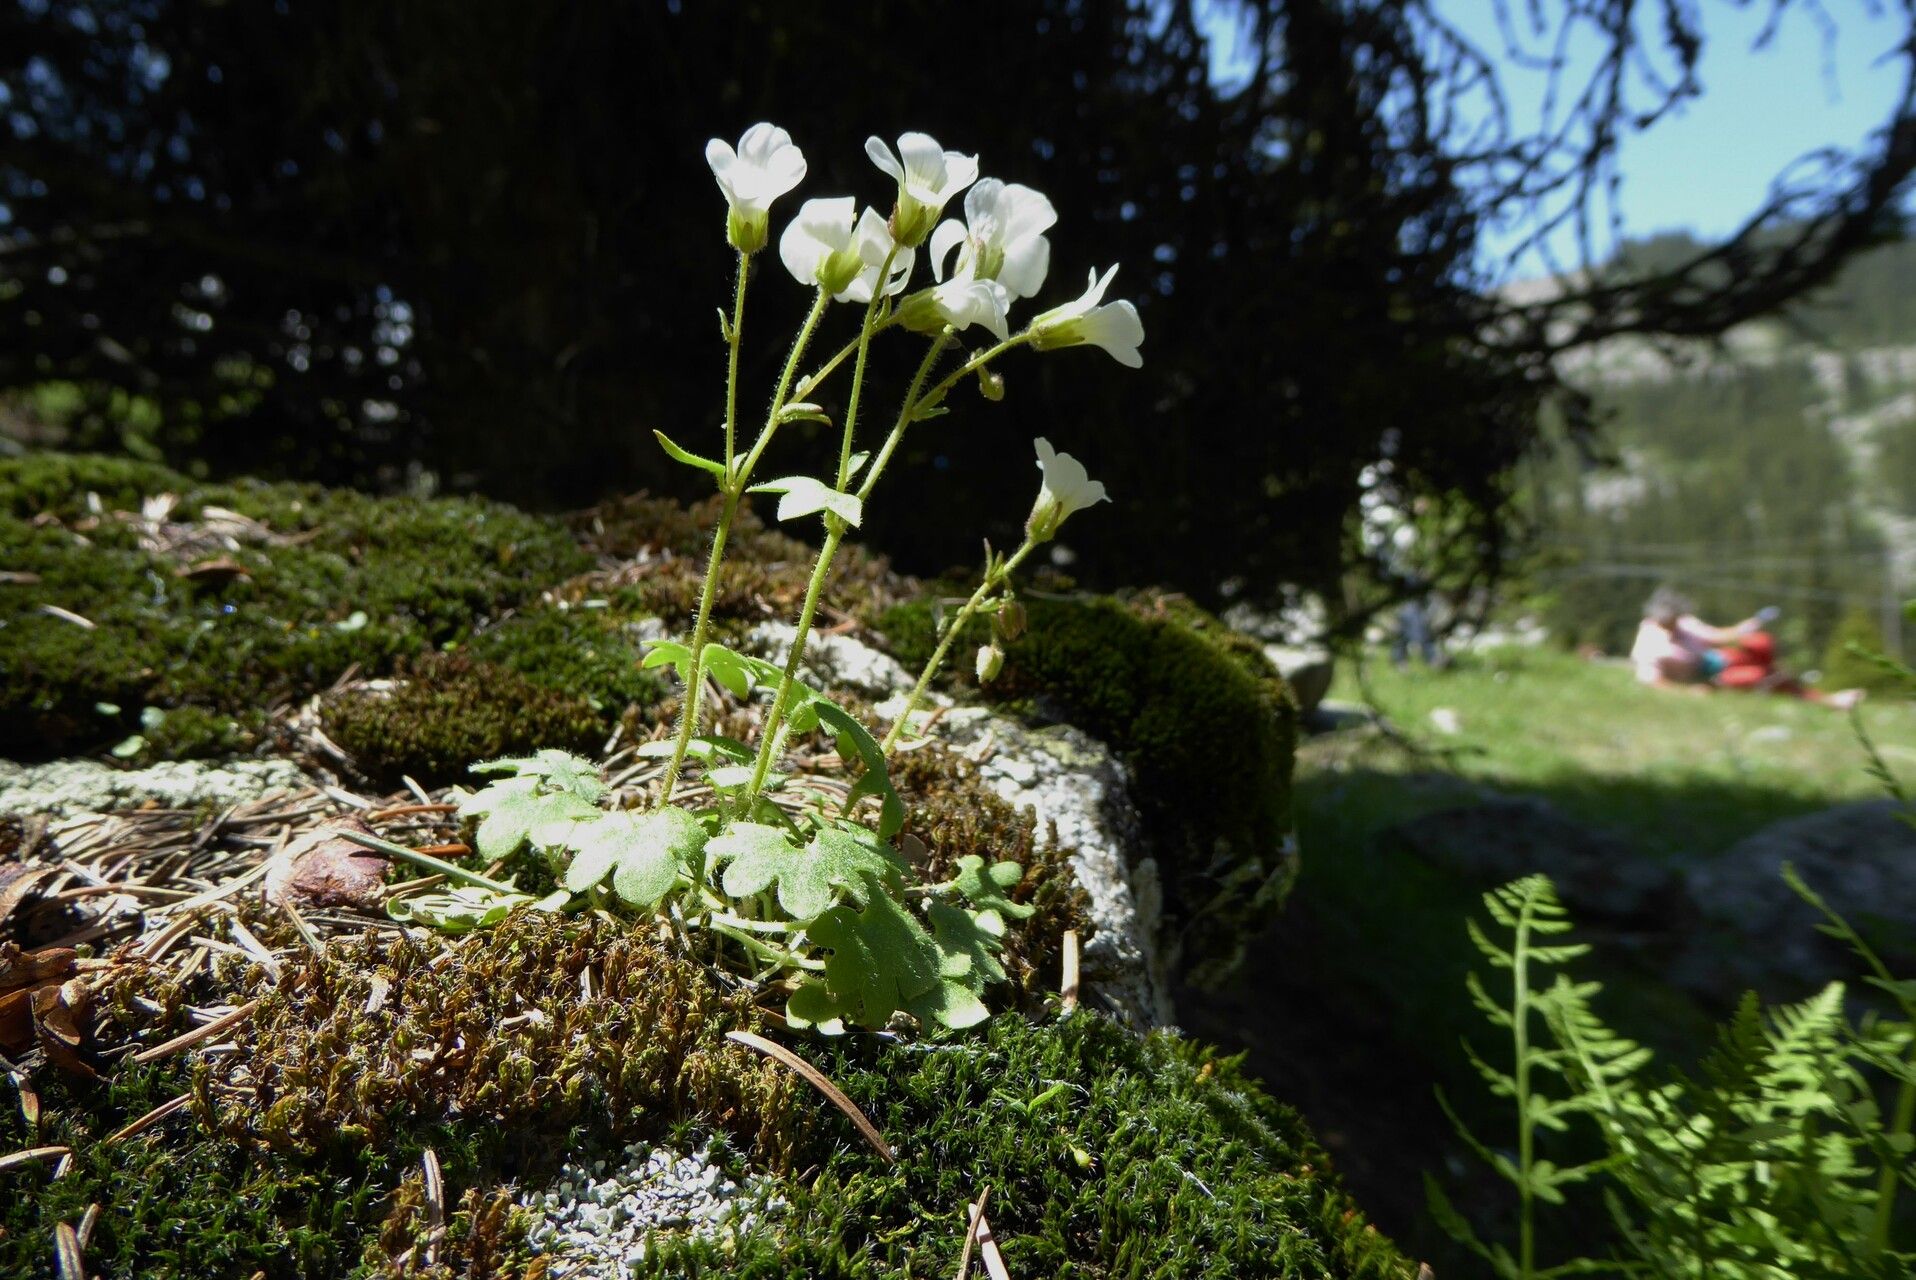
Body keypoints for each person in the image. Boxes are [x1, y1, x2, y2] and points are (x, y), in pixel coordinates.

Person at [1629, 588, 1862, 708]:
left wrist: (1747, 627)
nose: (1678, 620)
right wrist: (1690, 692)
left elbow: (1717, 636)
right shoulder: (1648, 646)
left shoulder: (1684, 623)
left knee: (1761, 642)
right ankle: (1828, 701)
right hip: (1709, 678)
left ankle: (1789, 682)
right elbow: (1652, 682)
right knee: (1762, 676)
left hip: (1717, 659)